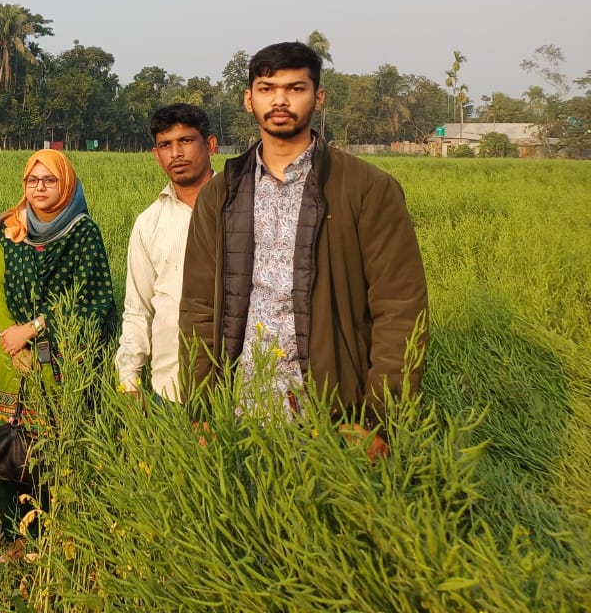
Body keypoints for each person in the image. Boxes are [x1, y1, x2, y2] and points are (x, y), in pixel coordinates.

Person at [180, 41, 429, 456]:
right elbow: (198, 307)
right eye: (267, 88)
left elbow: (400, 310)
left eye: (296, 88)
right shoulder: (221, 194)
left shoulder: (367, 189)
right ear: (248, 99)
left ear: (319, 97)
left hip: (335, 416)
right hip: (239, 411)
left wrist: (379, 419)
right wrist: (202, 407)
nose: (280, 99)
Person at [0, 149, 116, 562]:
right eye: (32, 180)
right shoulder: (12, 230)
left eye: (49, 180)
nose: (39, 188)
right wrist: (11, 335)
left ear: (66, 184)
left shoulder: (82, 233)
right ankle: (14, 537)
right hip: (12, 359)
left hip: (62, 362)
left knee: (54, 452)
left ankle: (57, 538)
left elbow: (93, 301)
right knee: (10, 450)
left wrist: (36, 329)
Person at [115, 104, 217, 400]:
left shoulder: (239, 209)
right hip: (171, 387)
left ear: (210, 145)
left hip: (241, 390)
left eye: (186, 141)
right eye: (166, 145)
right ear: (156, 155)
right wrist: (129, 380)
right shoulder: (149, 223)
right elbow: (138, 308)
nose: (176, 153)